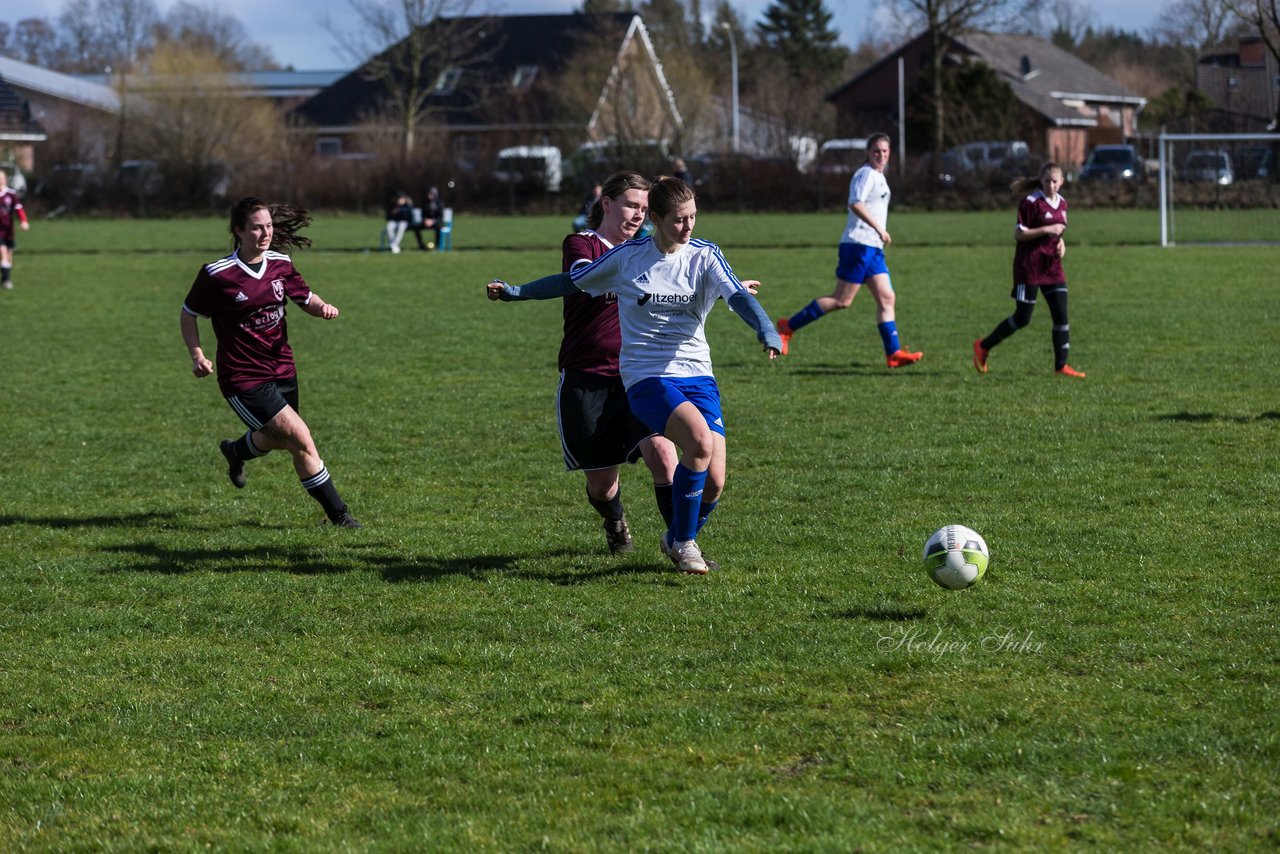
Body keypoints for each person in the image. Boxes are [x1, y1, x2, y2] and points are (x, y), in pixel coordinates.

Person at [487, 176, 782, 575]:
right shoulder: (626, 257)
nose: (689, 226)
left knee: (714, 480)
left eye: (693, 217)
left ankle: (676, 536)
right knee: (687, 446)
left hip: (698, 375)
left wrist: (765, 329)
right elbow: (571, 282)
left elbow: (740, 297)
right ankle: (683, 543)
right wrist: (516, 291)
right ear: (657, 220)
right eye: (679, 219)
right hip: (645, 375)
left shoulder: (705, 255)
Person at [180, 196, 361, 528]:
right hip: (243, 377)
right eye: (256, 228)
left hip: (282, 368)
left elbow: (305, 298)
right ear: (238, 231)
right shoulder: (218, 274)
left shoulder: (280, 262)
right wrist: (197, 356)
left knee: (280, 439)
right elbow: (189, 314)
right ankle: (340, 516)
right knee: (302, 440)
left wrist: (321, 307)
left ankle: (235, 451)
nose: (264, 234)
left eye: (268, 226)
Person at [775, 132, 923, 368]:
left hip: (873, 248)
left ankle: (893, 354)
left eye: (885, 151)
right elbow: (855, 202)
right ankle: (786, 327)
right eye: (876, 150)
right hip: (858, 244)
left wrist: (878, 234)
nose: (881, 155)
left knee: (887, 297)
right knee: (842, 300)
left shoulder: (880, 176)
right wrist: (878, 228)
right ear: (868, 152)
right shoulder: (865, 174)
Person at [973, 162, 1084, 378]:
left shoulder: (1062, 203)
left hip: (1052, 267)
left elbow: (1058, 233)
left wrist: (1061, 244)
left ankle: (1061, 366)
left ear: (1061, 182)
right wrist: (1047, 229)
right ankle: (983, 345)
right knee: (1023, 318)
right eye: (1046, 181)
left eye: (1054, 181)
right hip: (1029, 266)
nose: (1051, 185)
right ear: (1041, 181)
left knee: (1061, 316)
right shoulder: (1031, 202)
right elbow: (1019, 233)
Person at [0, 169, 30, 290]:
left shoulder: (10, 194)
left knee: (8, 255)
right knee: (3, 253)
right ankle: (6, 281)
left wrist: (24, 221)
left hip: (9, 231)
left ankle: (5, 279)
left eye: (1, 177)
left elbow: (18, 208)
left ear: (5, 179)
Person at [410, 186, 445, 250]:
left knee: (439, 228)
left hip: (436, 223)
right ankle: (421, 245)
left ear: (435, 194)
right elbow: (423, 214)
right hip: (426, 222)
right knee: (416, 227)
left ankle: (437, 246)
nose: (429, 195)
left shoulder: (440, 203)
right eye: (428, 193)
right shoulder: (425, 203)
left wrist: (433, 221)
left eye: (431, 194)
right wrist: (425, 220)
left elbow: (440, 216)